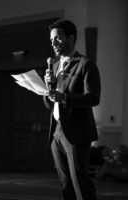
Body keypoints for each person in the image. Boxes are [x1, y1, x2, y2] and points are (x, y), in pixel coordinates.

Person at [44, 19, 101, 200]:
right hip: (57, 132)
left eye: (58, 38)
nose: (53, 43)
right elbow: (50, 102)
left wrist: (65, 98)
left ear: (70, 38)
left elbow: (93, 98)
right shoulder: (54, 66)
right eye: (51, 39)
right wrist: (47, 89)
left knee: (80, 184)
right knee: (66, 184)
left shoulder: (86, 64)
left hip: (77, 132)